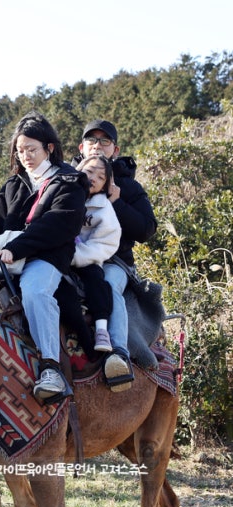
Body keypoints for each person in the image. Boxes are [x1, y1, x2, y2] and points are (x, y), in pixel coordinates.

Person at [0, 112, 88, 400]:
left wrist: (17, 248)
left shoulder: (70, 181)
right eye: (20, 151)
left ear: (49, 148)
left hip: (47, 258)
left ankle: (52, 369)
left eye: (31, 149)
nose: (25, 156)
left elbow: (59, 224)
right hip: (5, 259)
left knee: (35, 291)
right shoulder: (13, 184)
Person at [72, 119, 158, 391]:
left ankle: (119, 353)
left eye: (104, 141)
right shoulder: (66, 178)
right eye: (92, 140)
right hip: (71, 256)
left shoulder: (129, 188)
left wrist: (116, 202)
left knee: (109, 286)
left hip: (114, 261)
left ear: (115, 150)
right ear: (81, 147)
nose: (97, 145)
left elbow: (146, 230)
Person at [56, 155, 121, 357]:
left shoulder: (103, 207)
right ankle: (83, 336)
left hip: (86, 257)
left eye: (101, 177)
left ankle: (102, 329)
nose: (93, 177)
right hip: (58, 256)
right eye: (90, 171)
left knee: (98, 282)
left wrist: (78, 255)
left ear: (104, 186)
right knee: (58, 290)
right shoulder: (61, 193)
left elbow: (106, 240)